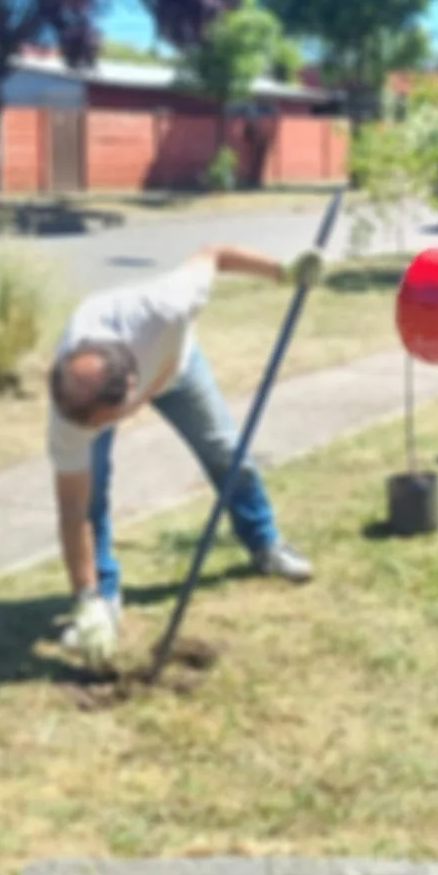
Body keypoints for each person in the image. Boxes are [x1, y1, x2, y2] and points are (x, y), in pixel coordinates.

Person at [48, 243, 326, 670]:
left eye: (104, 423)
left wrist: (283, 272)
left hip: (178, 369)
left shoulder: (168, 306)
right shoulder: (72, 409)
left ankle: (265, 544)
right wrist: (83, 596)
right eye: (90, 426)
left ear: (132, 391)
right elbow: (73, 508)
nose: (94, 433)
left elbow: (214, 254)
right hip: (114, 382)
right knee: (93, 494)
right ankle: (103, 600)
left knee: (226, 452)